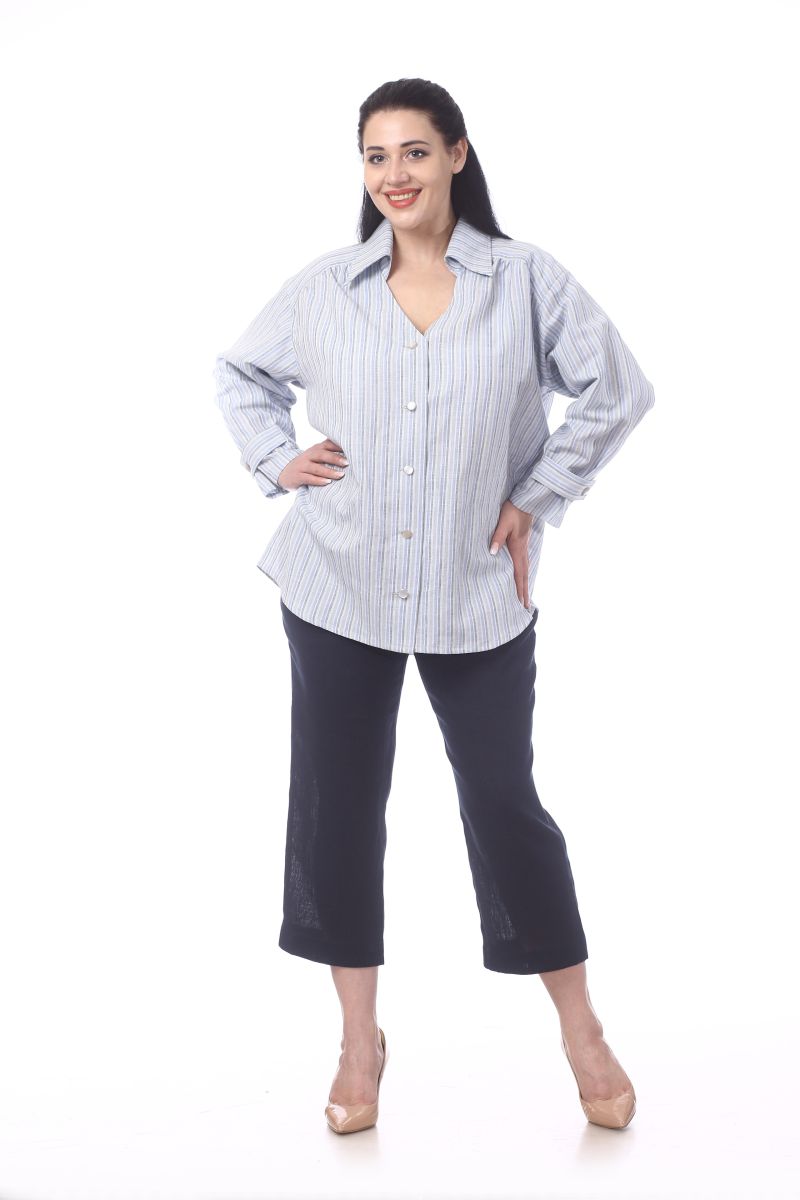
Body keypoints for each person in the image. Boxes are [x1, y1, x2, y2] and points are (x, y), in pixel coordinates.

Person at [213, 77, 655, 1135]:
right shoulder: (327, 288)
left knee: (503, 804)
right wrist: (278, 460)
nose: (394, 175)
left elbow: (618, 389)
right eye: (376, 156)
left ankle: (580, 1026)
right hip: (338, 582)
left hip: (475, 591)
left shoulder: (525, 281)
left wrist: (536, 496)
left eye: (414, 151)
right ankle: (358, 1040)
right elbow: (241, 373)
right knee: (335, 806)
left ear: (457, 154)